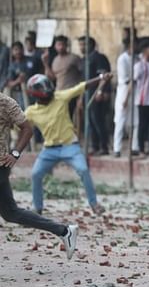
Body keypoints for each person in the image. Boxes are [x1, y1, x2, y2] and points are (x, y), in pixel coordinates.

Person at [0, 91, 78, 259]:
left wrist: (14, 154)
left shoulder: (6, 103)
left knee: (11, 212)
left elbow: (27, 129)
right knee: (11, 213)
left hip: (1, 164)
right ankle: (64, 231)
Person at [25, 73, 111, 216]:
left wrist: (101, 78)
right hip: (49, 150)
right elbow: (20, 127)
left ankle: (94, 204)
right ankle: (37, 207)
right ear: (36, 93)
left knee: (83, 170)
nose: (49, 90)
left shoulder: (60, 97)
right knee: (35, 174)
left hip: (70, 146)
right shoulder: (30, 112)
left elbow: (81, 87)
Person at [78, 36, 112, 155]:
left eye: (84, 45)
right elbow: (82, 81)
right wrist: (81, 97)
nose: (82, 47)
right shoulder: (84, 60)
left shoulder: (99, 58)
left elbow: (105, 76)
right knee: (90, 121)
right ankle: (95, 146)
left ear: (91, 45)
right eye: (80, 45)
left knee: (98, 120)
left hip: (96, 92)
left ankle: (104, 147)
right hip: (87, 93)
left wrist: (101, 91)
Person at [113, 33, 139, 157]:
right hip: (124, 90)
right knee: (120, 120)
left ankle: (134, 146)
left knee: (135, 120)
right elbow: (128, 80)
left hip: (135, 90)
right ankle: (117, 148)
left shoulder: (137, 58)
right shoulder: (122, 59)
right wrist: (125, 98)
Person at [43, 36, 82, 118]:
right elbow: (53, 77)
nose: (61, 47)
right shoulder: (55, 60)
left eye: (63, 44)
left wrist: (81, 96)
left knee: (69, 117)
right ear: (55, 46)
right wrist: (46, 64)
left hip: (72, 93)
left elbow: (83, 75)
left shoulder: (74, 58)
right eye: (59, 44)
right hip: (59, 93)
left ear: (66, 46)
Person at [6, 42, 32, 109]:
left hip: (34, 92)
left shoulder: (31, 60)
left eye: (20, 49)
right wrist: (18, 80)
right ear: (12, 51)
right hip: (21, 94)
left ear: (23, 50)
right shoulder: (12, 66)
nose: (18, 52)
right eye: (16, 49)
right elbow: (9, 84)